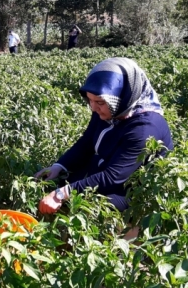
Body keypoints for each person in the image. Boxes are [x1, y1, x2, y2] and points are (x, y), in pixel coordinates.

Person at [36, 57, 173, 215]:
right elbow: (87, 142)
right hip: (106, 168)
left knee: (87, 207)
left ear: (124, 97)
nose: (93, 108)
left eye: (99, 102)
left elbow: (113, 176)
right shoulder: (111, 109)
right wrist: (59, 166)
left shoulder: (144, 128)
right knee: (53, 182)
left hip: (131, 189)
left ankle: (130, 231)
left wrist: (61, 194)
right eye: (90, 100)